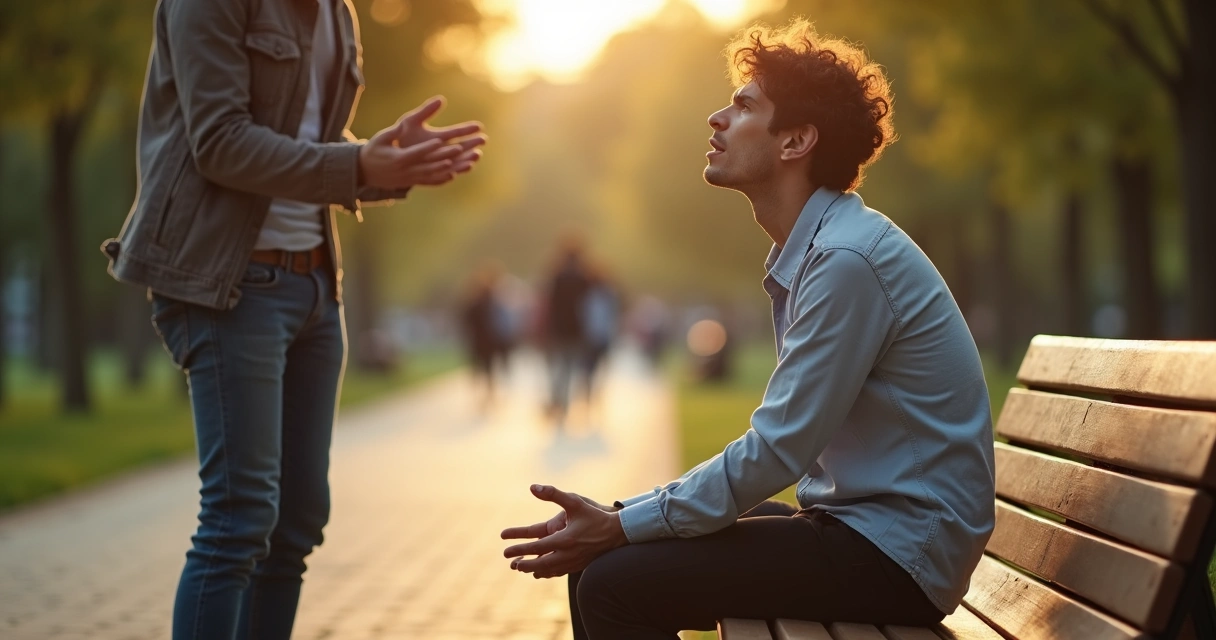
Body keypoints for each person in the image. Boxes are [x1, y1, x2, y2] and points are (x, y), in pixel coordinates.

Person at [501, 19, 995, 639]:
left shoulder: (846, 262)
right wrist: (621, 518)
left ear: (795, 142)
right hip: (865, 534)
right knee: (603, 560)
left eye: (742, 105)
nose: (716, 118)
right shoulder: (827, 248)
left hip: (898, 557)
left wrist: (623, 522)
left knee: (612, 582)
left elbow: (777, 450)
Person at [100, 1, 485, 638]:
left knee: (297, 523)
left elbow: (302, 139)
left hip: (313, 284)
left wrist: (377, 160)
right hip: (229, 282)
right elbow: (219, 141)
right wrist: (356, 166)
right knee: (238, 519)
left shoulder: (336, 10)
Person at [541, 237, 590, 426]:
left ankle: (558, 400)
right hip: (576, 330)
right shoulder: (583, 277)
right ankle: (564, 404)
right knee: (570, 369)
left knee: (558, 368)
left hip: (558, 329)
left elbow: (550, 304)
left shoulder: (557, 275)